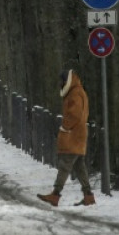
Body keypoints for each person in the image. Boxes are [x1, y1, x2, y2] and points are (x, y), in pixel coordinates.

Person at [38, 69, 96, 207]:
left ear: (67, 80)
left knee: (65, 165)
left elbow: (74, 114)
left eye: (62, 81)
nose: (61, 84)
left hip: (73, 135)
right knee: (79, 167)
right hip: (79, 134)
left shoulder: (75, 93)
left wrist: (65, 127)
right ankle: (88, 196)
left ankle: (55, 195)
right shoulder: (78, 91)